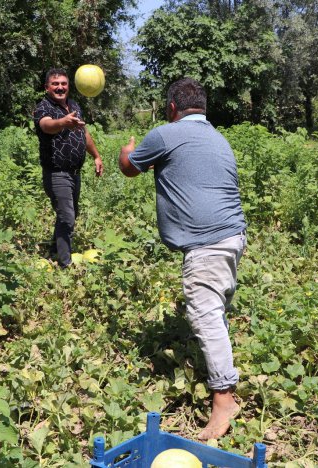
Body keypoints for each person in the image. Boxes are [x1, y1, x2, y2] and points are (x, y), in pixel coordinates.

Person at [118, 78, 247, 440]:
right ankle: (220, 374)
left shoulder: (165, 134)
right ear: (203, 108)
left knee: (204, 315)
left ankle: (224, 399)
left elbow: (130, 168)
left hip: (208, 244)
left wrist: (125, 150)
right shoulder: (218, 139)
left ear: (172, 108)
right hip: (233, 236)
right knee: (214, 308)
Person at [34, 68, 103, 268]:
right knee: (67, 217)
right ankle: (65, 265)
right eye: (55, 84)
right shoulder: (43, 107)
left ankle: (55, 249)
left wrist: (96, 156)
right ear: (47, 87)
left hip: (74, 173)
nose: (60, 87)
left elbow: (84, 134)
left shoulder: (73, 106)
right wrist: (63, 122)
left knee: (70, 214)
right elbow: (47, 125)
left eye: (63, 83)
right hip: (56, 173)